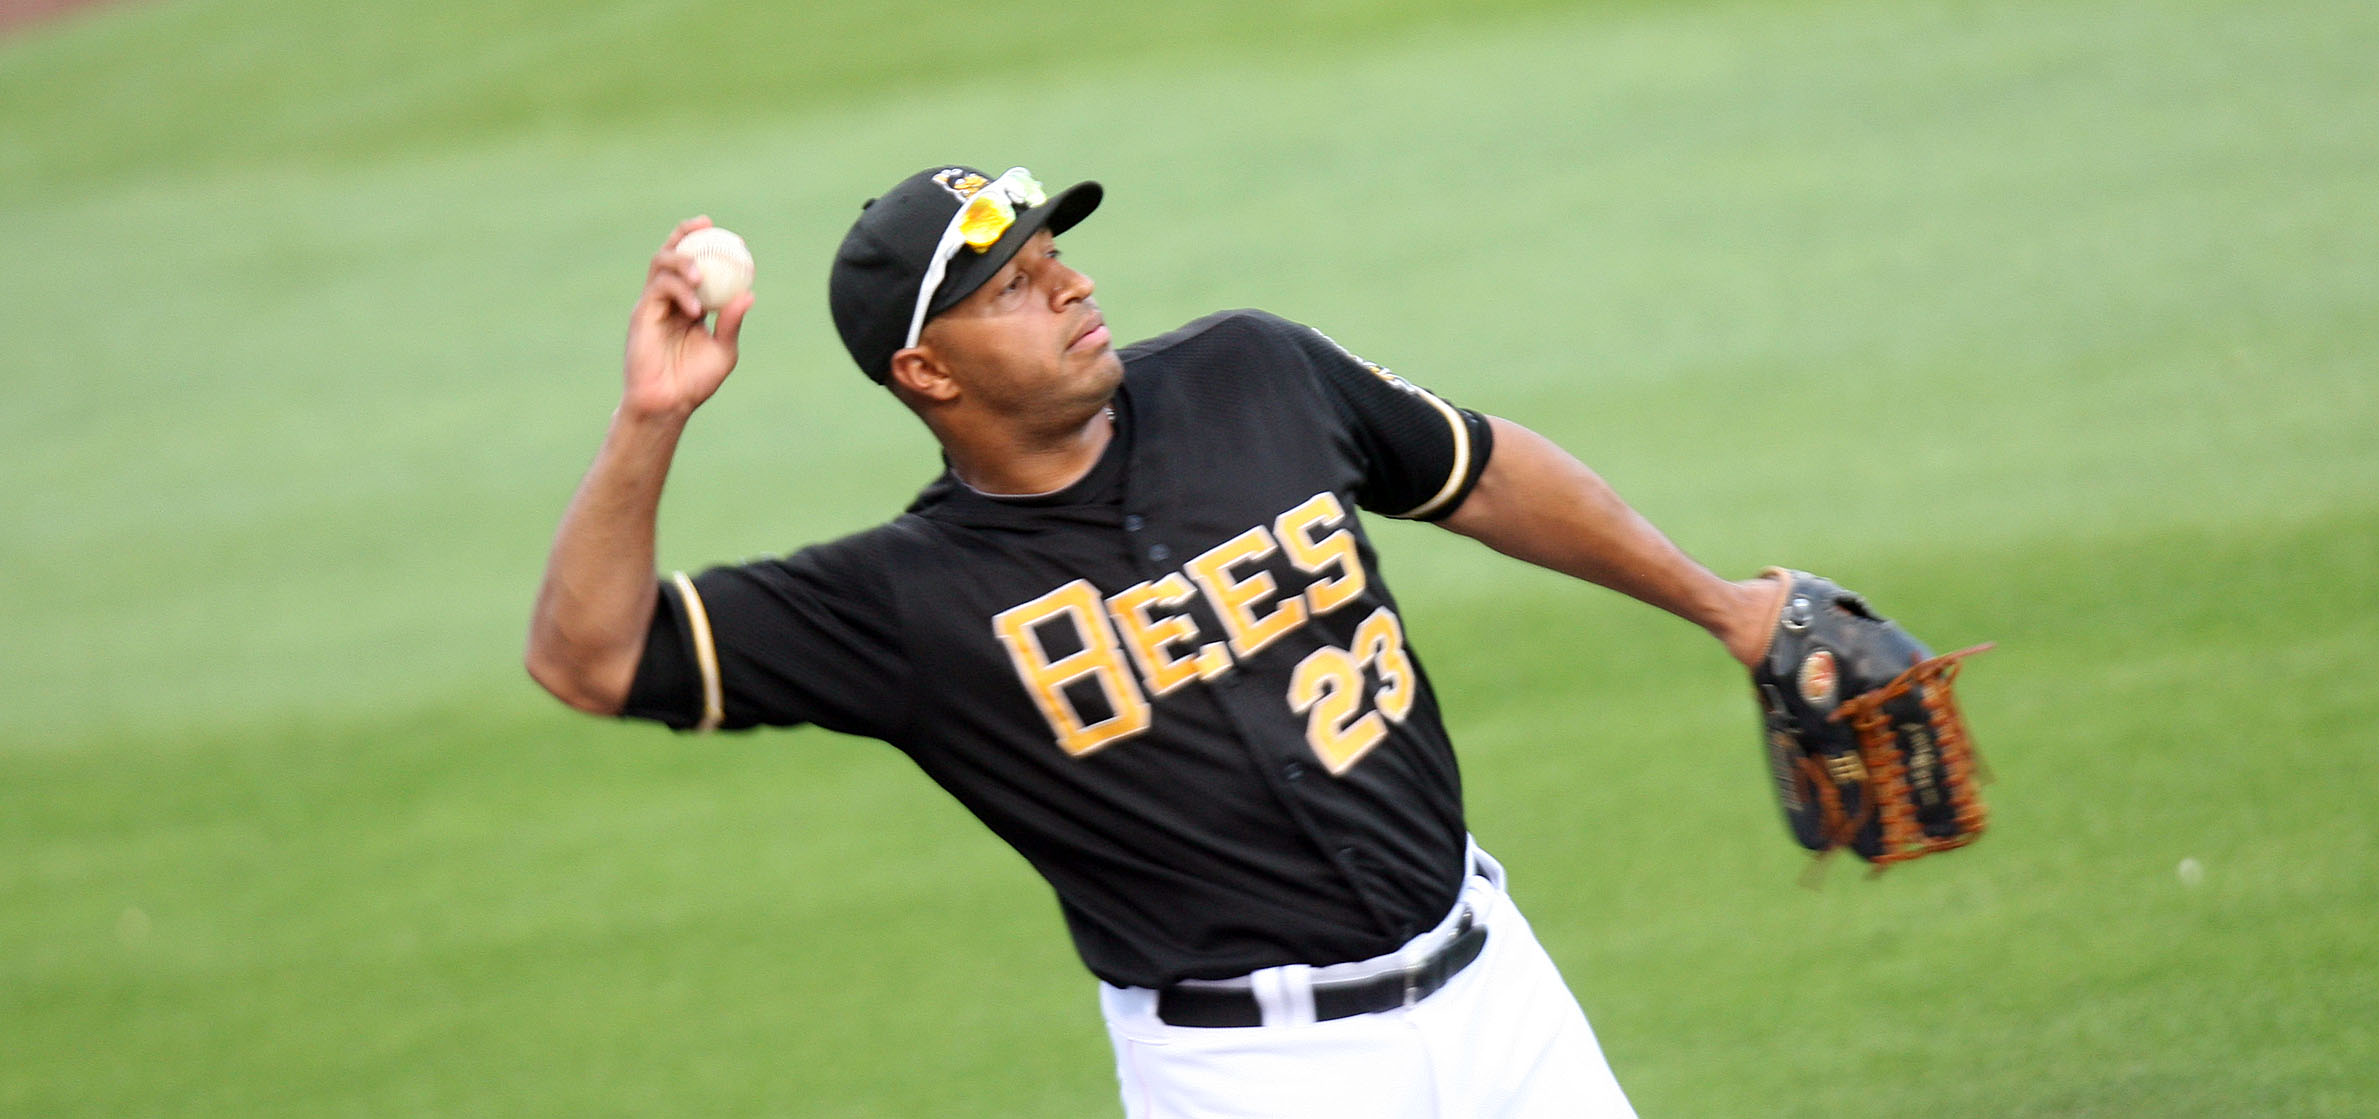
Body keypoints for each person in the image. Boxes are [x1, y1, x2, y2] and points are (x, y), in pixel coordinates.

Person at [525, 164, 1783, 1118]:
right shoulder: (903, 601)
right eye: (1014, 286)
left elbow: (1482, 473)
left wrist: (1724, 605)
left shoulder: (1257, 373)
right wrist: (652, 415)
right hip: (1258, 1075)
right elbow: (590, 659)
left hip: (1504, 995)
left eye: (1056, 255)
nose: (1072, 287)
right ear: (928, 373)